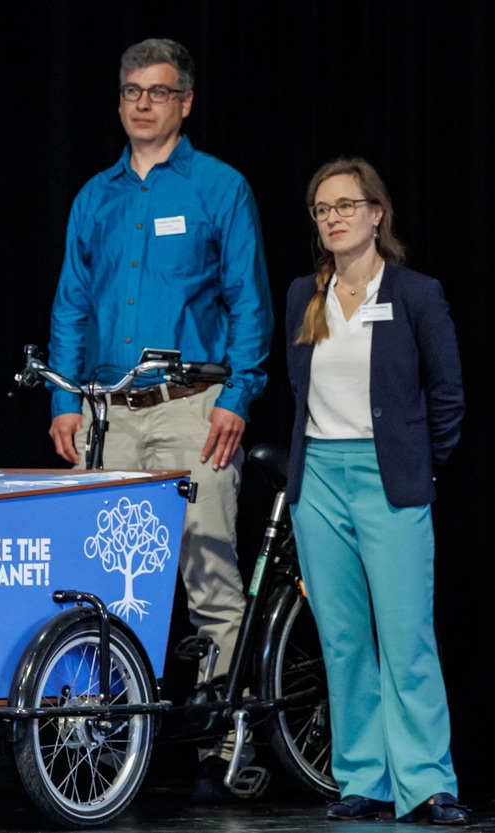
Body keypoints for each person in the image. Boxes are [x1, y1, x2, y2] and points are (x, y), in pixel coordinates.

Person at [47, 38, 273, 800]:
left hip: (193, 409)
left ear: (184, 102)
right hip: (107, 412)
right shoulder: (95, 195)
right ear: (118, 103)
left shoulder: (218, 187)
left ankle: (224, 743)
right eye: (131, 91)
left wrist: (238, 397)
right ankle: (108, 737)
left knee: (207, 576)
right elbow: (70, 307)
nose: (142, 103)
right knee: (96, 584)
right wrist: (63, 402)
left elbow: (249, 301)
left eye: (158, 91)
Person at [285, 158, 466, 824]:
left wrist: (418, 460)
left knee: (404, 633)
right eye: (320, 209)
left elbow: (446, 393)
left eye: (343, 205)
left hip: (387, 478)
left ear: (375, 213)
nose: (331, 217)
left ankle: (425, 781)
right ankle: (364, 777)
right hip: (320, 485)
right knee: (341, 638)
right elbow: (299, 391)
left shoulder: (415, 292)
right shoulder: (305, 293)